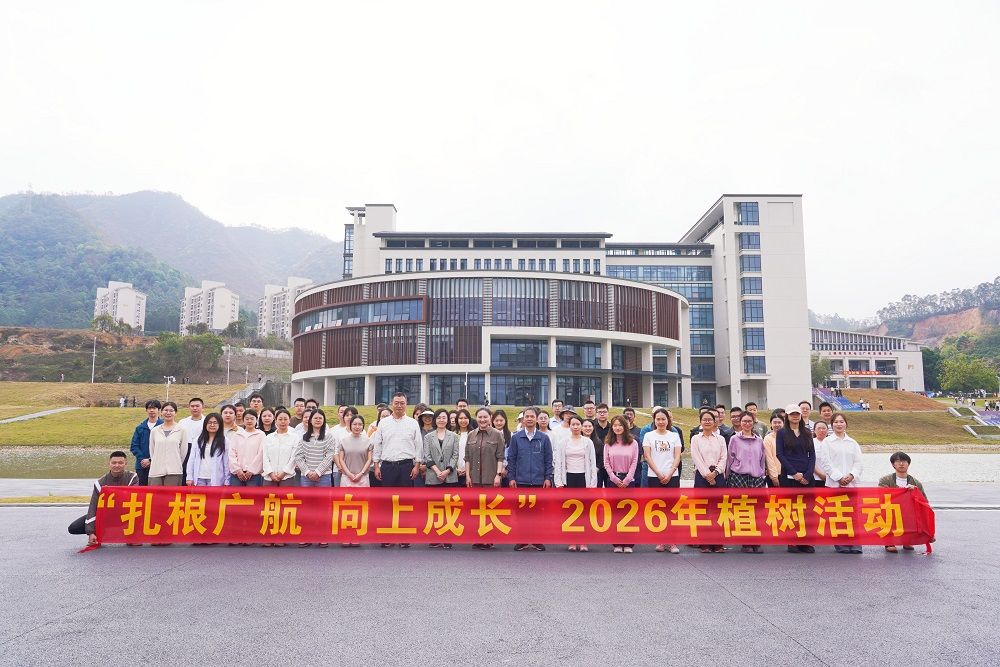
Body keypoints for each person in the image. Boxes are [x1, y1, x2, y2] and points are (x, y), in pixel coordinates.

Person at [371, 392, 424, 548]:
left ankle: (404, 536)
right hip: (387, 466)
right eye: (396, 403)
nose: (399, 406)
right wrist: (376, 465)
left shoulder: (413, 423)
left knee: (405, 502)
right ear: (392, 404)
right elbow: (378, 445)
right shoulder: (384, 423)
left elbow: (418, 445)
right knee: (387, 502)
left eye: (402, 403)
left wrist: (417, 465)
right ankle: (387, 535)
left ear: (406, 404)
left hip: (406, 466)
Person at [68, 451, 139, 546]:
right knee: (73, 528)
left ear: (126, 463)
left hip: (125, 514)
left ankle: (131, 535)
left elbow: (132, 498)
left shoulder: (133, 477)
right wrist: (91, 532)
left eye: (120, 463)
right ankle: (97, 534)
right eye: (114, 463)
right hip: (105, 515)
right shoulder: (100, 482)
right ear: (109, 463)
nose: (117, 465)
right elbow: (93, 507)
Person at [507, 407, 553, 552]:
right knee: (521, 513)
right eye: (526, 416)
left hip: (539, 482)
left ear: (537, 419)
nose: (529, 419)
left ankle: (537, 540)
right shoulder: (516, 438)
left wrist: (548, 477)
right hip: (521, 481)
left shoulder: (544, 438)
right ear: (523, 419)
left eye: (532, 416)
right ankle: (522, 540)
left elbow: (548, 459)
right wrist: (511, 477)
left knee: (538, 513)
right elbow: (511, 459)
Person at [817, 413, 863, 554]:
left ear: (846, 424)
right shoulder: (827, 442)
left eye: (841, 421)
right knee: (838, 515)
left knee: (853, 515)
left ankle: (855, 543)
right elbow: (826, 463)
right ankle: (841, 542)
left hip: (851, 484)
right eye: (836, 422)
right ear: (832, 425)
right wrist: (838, 477)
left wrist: (851, 475)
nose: (839, 424)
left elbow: (859, 463)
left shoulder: (853, 443)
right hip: (834, 484)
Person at [553, 414, 597, 552]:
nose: (576, 427)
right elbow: (559, 463)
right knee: (570, 511)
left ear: (582, 426)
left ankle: (584, 541)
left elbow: (592, 463)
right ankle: (571, 540)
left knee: (584, 511)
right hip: (569, 479)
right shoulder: (563, 442)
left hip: (584, 479)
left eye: (578, 424)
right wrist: (559, 482)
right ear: (569, 426)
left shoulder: (587, 442)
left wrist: (592, 484)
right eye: (573, 424)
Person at [776, 404, 816, 554]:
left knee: (807, 510)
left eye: (797, 414)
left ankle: (806, 541)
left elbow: (812, 454)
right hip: (789, 477)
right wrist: (794, 473)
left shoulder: (807, 432)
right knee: (791, 510)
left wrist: (808, 474)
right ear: (787, 416)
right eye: (792, 414)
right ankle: (792, 540)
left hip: (806, 477)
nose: (795, 416)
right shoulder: (782, 433)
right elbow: (780, 454)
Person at [465, 407, 506, 549]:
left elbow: (500, 457)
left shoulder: (497, 435)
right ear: (476, 418)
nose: (482, 420)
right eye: (480, 417)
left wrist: (498, 475)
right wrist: (468, 476)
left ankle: (489, 538)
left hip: (491, 479)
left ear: (490, 418)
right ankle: (477, 537)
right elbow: (467, 458)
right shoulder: (471, 435)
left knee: (490, 509)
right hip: (475, 479)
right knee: (476, 508)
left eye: (485, 417)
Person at [642, 408, 681, 554]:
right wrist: (658, 473)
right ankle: (660, 540)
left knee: (671, 509)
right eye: (658, 419)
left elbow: (677, 456)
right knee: (657, 508)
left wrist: (670, 473)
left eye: (663, 419)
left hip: (672, 476)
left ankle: (672, 541)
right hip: (654, 476)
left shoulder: (674, 436)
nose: (660, 422)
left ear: (668, 420)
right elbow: (647, 456)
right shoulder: (648, 436)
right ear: (654, 420)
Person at [728, 411, 767, 553]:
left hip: (756, 478)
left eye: (749, 421)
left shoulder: (759, 440)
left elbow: (762, 459)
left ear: (753, 422)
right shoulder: (734, 439)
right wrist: (728, 477)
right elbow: (730, 458)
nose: (747, 424)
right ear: (740, 422)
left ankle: (756, 541)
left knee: (756, 510)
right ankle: (745, 542)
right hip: (740, 477)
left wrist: (762, 475)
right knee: (743, 510)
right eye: (744, 421)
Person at [691, 409, 727, 553]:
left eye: (710, 419)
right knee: (703, 510)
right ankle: (704, 542)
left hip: (718, 476)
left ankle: (718, 542)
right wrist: (707, 475)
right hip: (702, 477)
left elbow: (724, 457)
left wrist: (716, 473)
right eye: (704, 419)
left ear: (715, 422)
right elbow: (696, 458)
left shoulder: (720, 439)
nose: (707, 422)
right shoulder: (696, 438)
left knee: (718, 510)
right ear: (700, 422)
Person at [878, 452, 930, 553]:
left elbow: (924, 501)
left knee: (913, 515)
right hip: (891, 509)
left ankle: (907, 540)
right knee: (887, 513)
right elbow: (881, 495)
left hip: (908, 510)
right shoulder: (885, 480)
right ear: (893, 464)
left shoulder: (916, 482)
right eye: (898, 461)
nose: (901, 464)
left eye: (904, 461)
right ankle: (889, 541)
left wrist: (914, 491)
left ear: (908, 464)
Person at [423, 408, 460, 549]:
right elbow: (427, 456)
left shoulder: (453, 436)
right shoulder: (428, 437)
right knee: (435, 507)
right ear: (435, 420)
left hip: (450, 476)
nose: (441, 420)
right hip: (433, 476)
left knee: (448, 508)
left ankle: (447, 537)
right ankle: (435, 537)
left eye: (444, 417)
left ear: (448, 419)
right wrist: (438, 471)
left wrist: (447, 471)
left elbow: (455, 455)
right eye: (438, 417)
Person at [604, 415, 639, 553]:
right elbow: (606, 462)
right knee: (615, 513)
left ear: (625, 426)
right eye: (615, 425)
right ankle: (617, 543)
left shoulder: (633, 443)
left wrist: (628, 478)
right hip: (613, 480)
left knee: (629, 512)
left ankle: (628, 543)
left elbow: (635, 461)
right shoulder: (608, 443)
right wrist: (613, 477)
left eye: (620, 425)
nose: (617, 428)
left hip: (628, 481)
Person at [185, 413, 229, 486]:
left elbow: (226, 462)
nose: (212, 425)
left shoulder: (225, 441)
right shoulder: (198, 440)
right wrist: (189, 477)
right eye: (209, 422)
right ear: (205, 424)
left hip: (216, 478)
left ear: (220, 425)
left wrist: (227, 480)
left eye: (215, 423)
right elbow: (191, 459)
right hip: (199, 478)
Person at [296, 408, 336, 488]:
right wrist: (307, 472)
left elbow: (329, 456)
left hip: (324, 476)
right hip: (306, 477)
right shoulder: (304, 437)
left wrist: (318, 472)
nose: (318, 420)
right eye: (315, 418)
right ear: (310, 420)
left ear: (324, 420)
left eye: (320, 418)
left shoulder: (329, 437)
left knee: (323, 497)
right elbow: (298, 456)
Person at [148, 402, 185, 486]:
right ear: (161, 412)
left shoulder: (181, 430)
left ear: (175, 413)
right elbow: (152, 450)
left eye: (171, 410)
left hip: (174, 471)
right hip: (156, 470)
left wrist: (175, 462)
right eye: (166, 410)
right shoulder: (155, 430)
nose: (168, 413)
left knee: (171, 493)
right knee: (155, 493)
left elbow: (183, 452)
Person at [228, 409, 265, 487]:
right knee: (235, 494)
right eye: (247, 419)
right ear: (243, 420)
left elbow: (261, 454)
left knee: (252, 494)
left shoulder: (261, 435)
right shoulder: (237, 435)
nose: (249, 421)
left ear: (256, 420)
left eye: (252, 419)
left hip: (254, 475)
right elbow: (231, 454)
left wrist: (251, 470)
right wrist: (237, 470)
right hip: (237, 474)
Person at [262, 408, 298, 488]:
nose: (283, 421)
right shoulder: (268, 437)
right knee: (269, 496)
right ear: (275, 421)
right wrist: (270, 473)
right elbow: (265, 457)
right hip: (269, 477)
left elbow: (294, 457)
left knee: (286, 496)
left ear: (289, 420)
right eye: (280, 419)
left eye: (285, 419)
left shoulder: (295, 437)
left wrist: (284, 473)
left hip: (287, 477)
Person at [129, 399, 162, 485]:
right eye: (149, 408)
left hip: (159, 465)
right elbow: (134, 446)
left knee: (157, 489)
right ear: (146, 410)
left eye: (154, 408)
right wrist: (143, 460)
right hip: (142, 465)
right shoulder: (140, 428)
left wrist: (151, 460)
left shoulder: (163, 426)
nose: (151, 410)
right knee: (142, 489)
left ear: (159, 410)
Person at [337, 414, 372, 489]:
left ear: (363, 426)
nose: (357, 427)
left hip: (363, 478)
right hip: (347, 478)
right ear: (350, 425)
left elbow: (369, 459)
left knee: (363, 497)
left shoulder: (368, 441)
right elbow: (341, 459)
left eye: (360, 424)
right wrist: (349, 474)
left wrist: (361, 473)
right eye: (354, 424)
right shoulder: (343, 441)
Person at [177, 397, 205, 486]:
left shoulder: (207, 421)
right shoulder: (182, 422)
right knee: (184, 473)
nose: (195, 408)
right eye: (192, 406)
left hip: (202, 449)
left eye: (197, 406)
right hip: (186, 449)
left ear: (202, 407)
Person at [761, 412, 783, 487]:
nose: (777, 425)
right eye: (775, 422)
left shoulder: (787, 437)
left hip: (787, 474)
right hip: (774, 475)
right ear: (771, 424)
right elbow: (768, 458)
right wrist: (774, 476)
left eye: (779, 422)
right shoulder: (768, 438)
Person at [453, 408, 473, 488]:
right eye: (461, 418)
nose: (463, 420)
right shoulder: (453, 434)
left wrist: (467, 469)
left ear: (469, 419)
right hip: (455, 472)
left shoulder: (474, 434)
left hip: (471, 472)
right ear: (457, 420)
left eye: (465, 418)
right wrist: (455, 469)